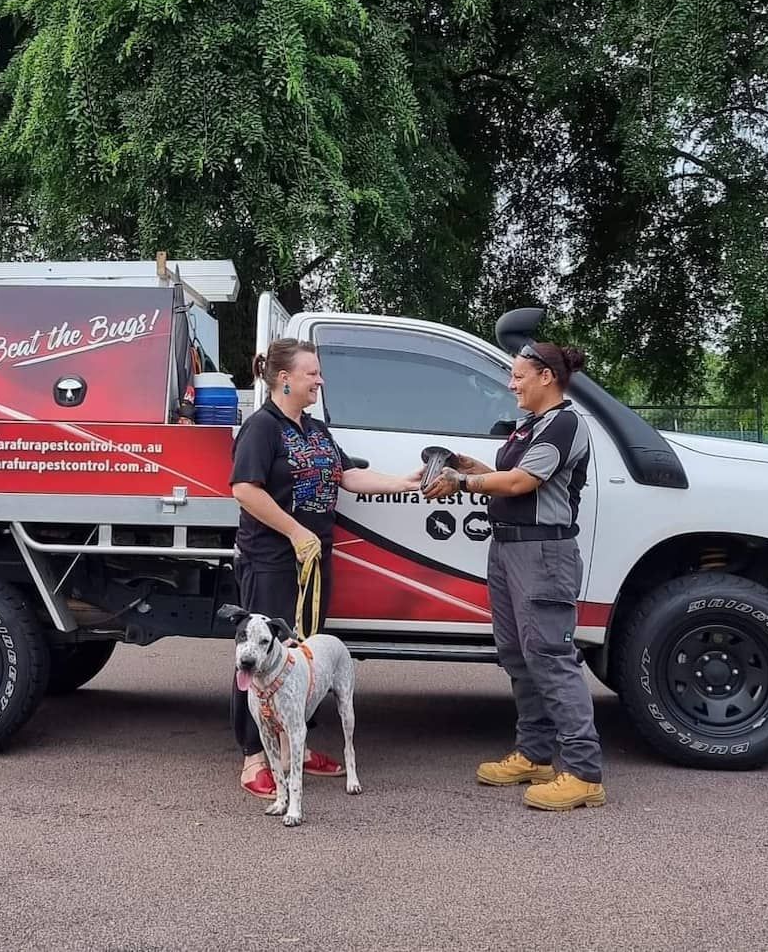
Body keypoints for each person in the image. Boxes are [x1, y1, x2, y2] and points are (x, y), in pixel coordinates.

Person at [230, 338, 422, 798]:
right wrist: (296, 532)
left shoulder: (315, 429)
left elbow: (346, 476)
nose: (320, 380)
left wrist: (403, 482)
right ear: (284, 379)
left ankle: (296, 745)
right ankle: (254, 757)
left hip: (313, 561)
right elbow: (244, 489)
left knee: (299, 657)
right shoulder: (261, 428)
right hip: (271, 560)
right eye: (312, 372)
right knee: (258, 657)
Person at [423, 341, 605, 811]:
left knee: (549, 654)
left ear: (546, 377)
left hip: (542, 553)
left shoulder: (565, 423)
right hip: (509, 549)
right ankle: (535, 754)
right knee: (517, 655)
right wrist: (473, 467)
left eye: (519, 376)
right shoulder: (534, 427)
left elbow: (525, 482)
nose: (511, 384)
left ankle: (584, 773)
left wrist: (463, 483)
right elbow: (512, 475)